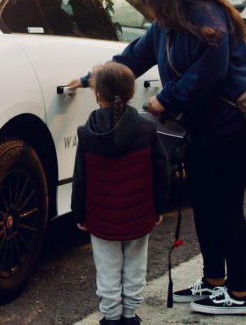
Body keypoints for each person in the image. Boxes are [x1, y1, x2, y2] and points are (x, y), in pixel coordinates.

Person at [68, 0, 246, 315]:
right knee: (205, 204)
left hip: (235, 124)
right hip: (206, 126)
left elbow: (212, 72)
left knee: (226, 206)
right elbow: (131, 59)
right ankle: (214, 282)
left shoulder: (208, 16)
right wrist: (87, 79)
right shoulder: (166, 25)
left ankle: (238, 294)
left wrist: (166, 99)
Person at [71, 61, 171, 325]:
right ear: (130, 93)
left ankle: (111, 316)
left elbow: (80, 178)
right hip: (138, 214)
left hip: (101, 218)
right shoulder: (147, 128)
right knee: (135, 266)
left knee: (107, 269)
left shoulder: (87, 133)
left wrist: (79, 213)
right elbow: (161, 172)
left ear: (97, 94)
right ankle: (130, 314)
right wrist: (158, 208)